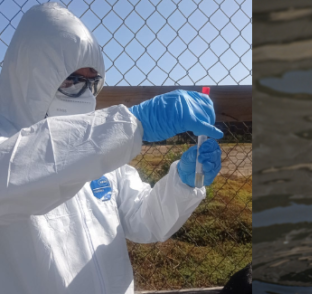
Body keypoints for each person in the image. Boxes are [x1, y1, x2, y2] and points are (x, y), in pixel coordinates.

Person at [0, 3, 223, 294]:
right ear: (32, 77)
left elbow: (146, 220)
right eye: (71, 80)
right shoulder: (9, 151)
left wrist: (183, 182)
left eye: (92, 82)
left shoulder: (100, 155)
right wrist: (133, 125)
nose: (85, 94)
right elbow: (23, 172)